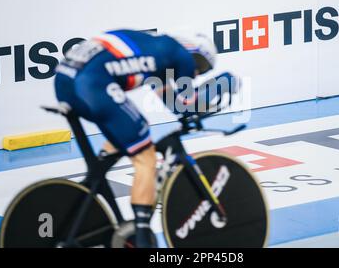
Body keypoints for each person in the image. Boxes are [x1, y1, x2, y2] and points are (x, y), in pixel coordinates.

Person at [54, 29, 238, 248]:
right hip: (93, 83)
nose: (198, 74)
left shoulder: (161, 50)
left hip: (66, 80)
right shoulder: (183, 56)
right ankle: (142, 239)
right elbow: (186, 104)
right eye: (203, 67)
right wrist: (227, 83)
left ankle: (98, 172)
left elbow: (172, 102)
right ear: (196, 54)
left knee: (131, 130)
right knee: (145, 157)